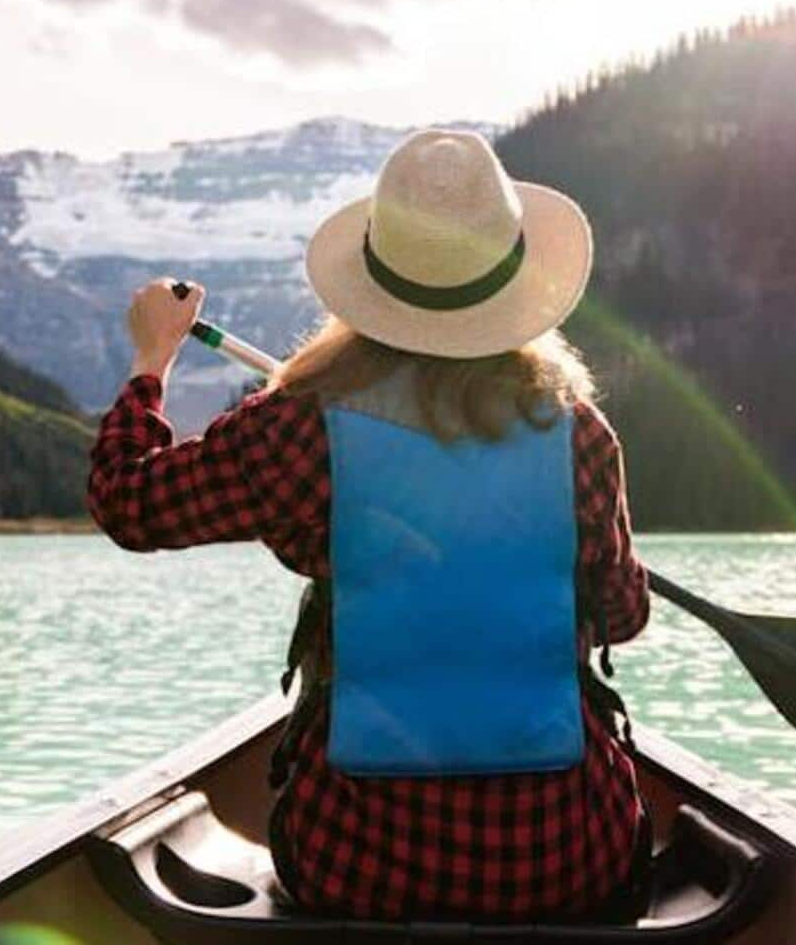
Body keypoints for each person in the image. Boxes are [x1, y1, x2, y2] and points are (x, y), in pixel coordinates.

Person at [86, 128, 651, 923]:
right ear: (511, 282)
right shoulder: (581, 434)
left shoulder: (294, 429)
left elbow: (127, 503)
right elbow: (623, 617)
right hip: (569, 853)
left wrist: (152, 361)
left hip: (358, 860)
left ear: (373, 285)